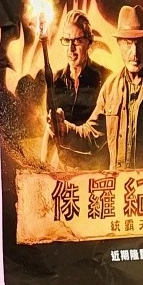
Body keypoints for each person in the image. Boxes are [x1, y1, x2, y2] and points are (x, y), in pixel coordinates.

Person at [59, 5, 143, 171]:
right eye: (128, 43)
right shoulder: (110, 89)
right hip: (119, 193)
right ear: (119, 44)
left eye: (139, 43)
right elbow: (91, 137)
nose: (134, 53)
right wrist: (64, 130)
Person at [47, 11, 107, 169]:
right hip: (62, 170)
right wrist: (42, 168)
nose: (71, 48)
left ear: (89, 41)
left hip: (94, 171)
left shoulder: (105, 79)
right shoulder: (55, 81)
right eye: (67, 40)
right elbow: (50, 132)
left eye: (78, 40)